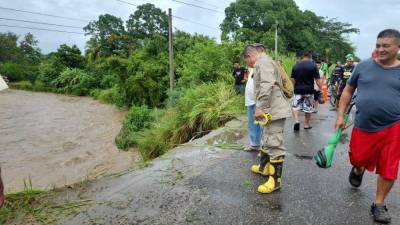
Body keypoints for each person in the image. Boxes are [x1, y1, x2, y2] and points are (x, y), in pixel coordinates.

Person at [335, 29, 400, 224]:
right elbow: (348, 91)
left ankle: (379, 204)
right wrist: (341, 115)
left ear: (397, 47)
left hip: (394, 126)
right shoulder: (362, 67)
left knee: (389, 167)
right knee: (358, 158)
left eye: (386, 46)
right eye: (378, 45)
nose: (380, 49)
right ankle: (358, 169)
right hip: (363, 125)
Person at [242, 45, 292, 194]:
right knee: (266, 138)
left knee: (274, 142)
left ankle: (275, 181)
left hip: (273, 109)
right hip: (269, 109)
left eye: (247, 62)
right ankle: (264, 167)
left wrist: (260, 108)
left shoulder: (263, 62)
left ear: (249, 56)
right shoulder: (263, 62)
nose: (248, 65)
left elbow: (266, 85)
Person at [291, 52, 322, 130]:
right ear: (310, 57)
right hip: (309, 90)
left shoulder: (295, 66)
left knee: (295, 107)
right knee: (308, 108)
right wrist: (320, 88)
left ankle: (296, 121)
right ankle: (306, 124)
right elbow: (317, 79)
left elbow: (293, 79)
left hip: (298, 90)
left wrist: (294, 87)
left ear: (303, 57)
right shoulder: (313, 66)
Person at [244, 66, 262, 151]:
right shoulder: (251, 69)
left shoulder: (261, 66)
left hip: (258, 101)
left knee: (262, 124)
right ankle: (254, 144)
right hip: (250, 100)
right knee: (252, 123)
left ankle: (264, 147)